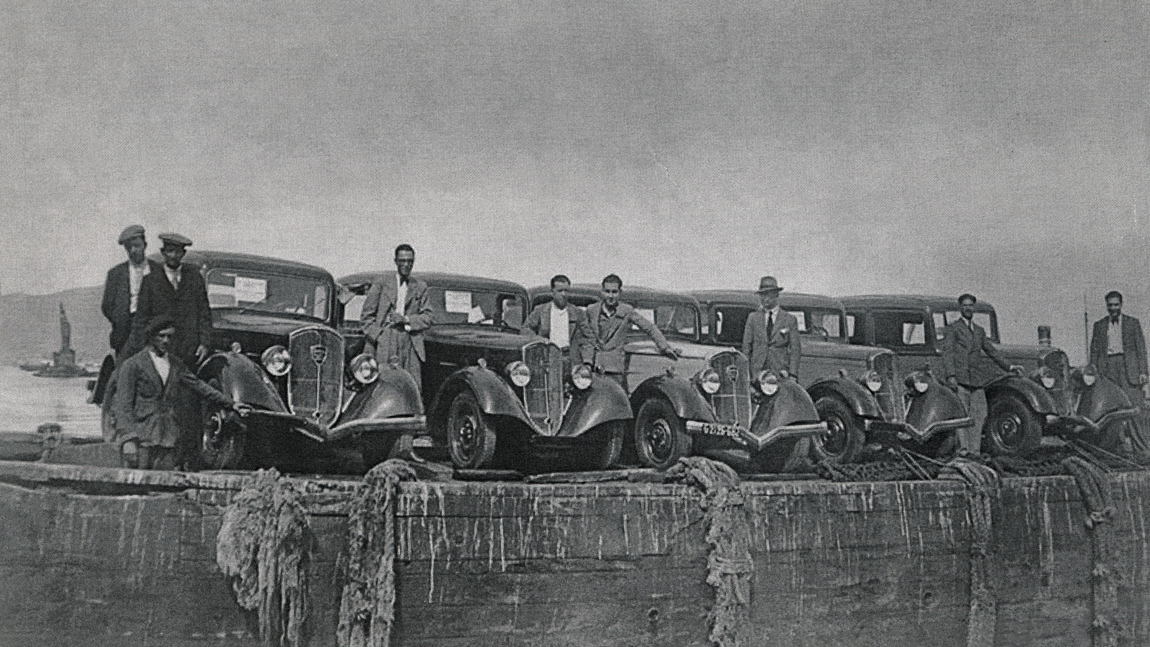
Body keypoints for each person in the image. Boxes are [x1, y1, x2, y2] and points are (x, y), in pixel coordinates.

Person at [113, 316, 246, 470]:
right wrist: (128, 440)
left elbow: (200, 387)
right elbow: (123, 406)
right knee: (136, 483)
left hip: (168, 441)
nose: (166, 341)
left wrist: (232, 403)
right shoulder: (132, 365)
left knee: (165, 483)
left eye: (170, 337)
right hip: (141, 441)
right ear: (151, 337)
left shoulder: (176, 365)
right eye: (161, 336)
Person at [941, 293, 1017, 453]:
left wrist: (1009, 367)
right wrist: (951, 375)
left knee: (980, 414)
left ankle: (974, 452)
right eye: (965, 305)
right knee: (961, 417)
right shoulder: (953, 329)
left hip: (976, 381)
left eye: (970, 305)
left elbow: (992, 351)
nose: (968, 308)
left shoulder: (979, 331)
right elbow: (947, 353)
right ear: (960, 308)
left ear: (973, 308)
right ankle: (963, 451)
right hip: (960, 380)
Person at [126, 233, 212, 366]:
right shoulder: (151, 280)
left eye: (178, 252)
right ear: (163, 252)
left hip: (189, 350)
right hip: (159, 349)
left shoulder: (194, 278)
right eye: (170, 251)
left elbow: (204, 313)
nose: (173, 255)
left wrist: (204, 343)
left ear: (183, 254)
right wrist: (142, 347)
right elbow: (141, 317)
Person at [584, 274, 679, 388]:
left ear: (620, 292)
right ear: (602, 292)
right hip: (593, 366)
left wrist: (665, 347)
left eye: (614, 292)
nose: (610, 296)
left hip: (614, 368)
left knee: (616, 396)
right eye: (607, 291)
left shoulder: (626, 311)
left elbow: (650, 328)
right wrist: (587, 362)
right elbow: (584, 337)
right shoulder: (591, 310)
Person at [360, 244, 434, 390]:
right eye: (402, 261)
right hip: (385, 340)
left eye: (410, 261)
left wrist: (406, 319)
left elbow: (429, 317)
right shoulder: (381, 283)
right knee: (381, 384)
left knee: (411, 386)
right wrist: (379, 336)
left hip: (410, 341)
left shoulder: (420, 286)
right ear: (396, 261)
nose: (406, 265)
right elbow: (366, 317)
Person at [101, 225, 163, 362]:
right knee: (124, 369)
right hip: (125, 333)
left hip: (152, 330)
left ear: (145, 245)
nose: (133, 250)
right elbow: (107, 306)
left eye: (137, 246)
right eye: (129, 247)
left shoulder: (158, 271)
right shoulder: (115, 274)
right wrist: (121, 320)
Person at [1090, 290, 1148, 406]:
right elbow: (1094, 352)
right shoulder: (1099, 325)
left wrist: (1143, 372)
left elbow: (1141, 349)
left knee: (1133, 402)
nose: (1113, 308)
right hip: (1107, 368)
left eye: (1116, 305)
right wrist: (1093, 372)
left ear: (1121, 305)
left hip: (1128, 367)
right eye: (1110, 305)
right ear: (1106, 305)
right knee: (1111, 403)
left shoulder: (1133, 323)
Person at [521, 274, 593, 364]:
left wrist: (587, 361)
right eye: (560, 291)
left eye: (566, 291)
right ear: (552, 292)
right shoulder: (541, 310)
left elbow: (588, 338)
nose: (563, 294)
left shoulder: (578, 313)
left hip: (571, 359)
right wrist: (539, 340)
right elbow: (525, 329)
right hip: (547, 357)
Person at [741, 276, 801, 379]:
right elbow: (746, 347)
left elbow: (795, 349)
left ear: (776, 295)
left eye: (768, 294)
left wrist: (792, 374)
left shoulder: (789, 319)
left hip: (780, 373)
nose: (765, 298)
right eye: (762, 295)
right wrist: (747, 373)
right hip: (757, 373)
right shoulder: (753, 318)